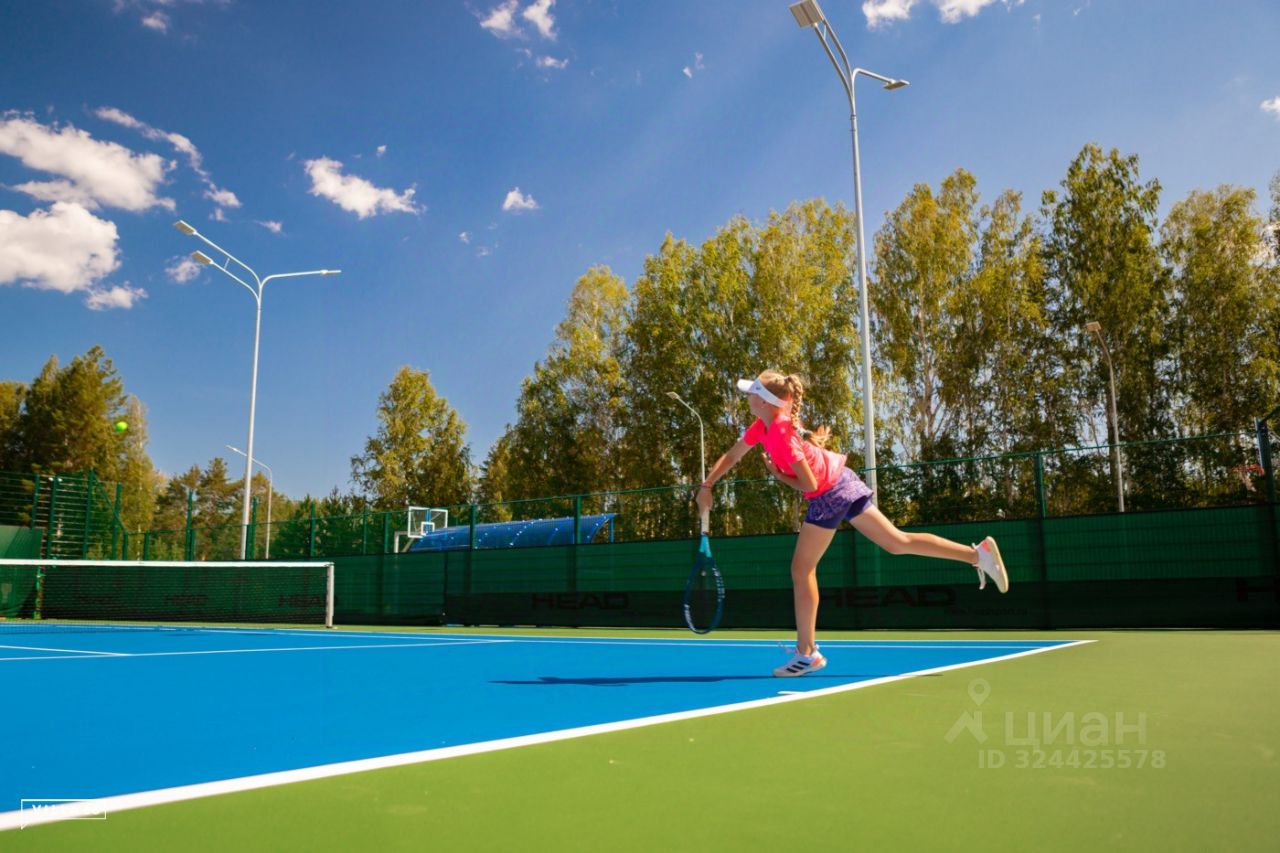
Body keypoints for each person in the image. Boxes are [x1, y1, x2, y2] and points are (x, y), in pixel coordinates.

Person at [695, 371, 1009, 677]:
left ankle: (806, 653)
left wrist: (779, 476)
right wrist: (707, 485)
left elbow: (809, 483)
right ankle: (977, 554)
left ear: (765, 402)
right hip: (842, 481)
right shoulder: (763, 426)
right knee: (897, 542)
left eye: (752, 393)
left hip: (828, 493)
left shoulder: (779, 433)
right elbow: (733, 455)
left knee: (802, 570)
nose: (747, 396)